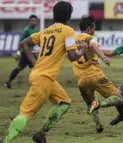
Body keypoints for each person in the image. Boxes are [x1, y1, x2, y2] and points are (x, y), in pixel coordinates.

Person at [0, 1, 88, 143]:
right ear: (68, 15)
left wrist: (35, 64)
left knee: (64, 102)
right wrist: (82, 51)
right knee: (26, 113)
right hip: (43, 78)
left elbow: (24, 43)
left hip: (45, 77)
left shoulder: (45, 31)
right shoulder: (68, 31)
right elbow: (72, 57)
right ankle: (5, 140)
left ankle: (41, 134)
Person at [72, 15, 123, 133]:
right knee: (119, 98)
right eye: (94, 27)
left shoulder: (72, 39)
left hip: (81, 81)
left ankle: (98, 125)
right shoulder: (89, 37)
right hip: (95, 76)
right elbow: (94, 46)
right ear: (89, 28)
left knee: (90, 103)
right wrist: (104, 58)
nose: (94, 30)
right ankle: (101, 105)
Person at [4, 15, 39, 89]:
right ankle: (37, 84)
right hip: (25, 53)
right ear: (29, 22)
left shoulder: (36, 30)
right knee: (36, 67)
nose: (34, 22)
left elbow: (38, 41)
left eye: (35, 21)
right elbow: (21, 42)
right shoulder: (27, 30)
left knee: (20, 67)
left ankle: (8, 82)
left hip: (30, 52)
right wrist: (18, 52)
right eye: (32, 21)